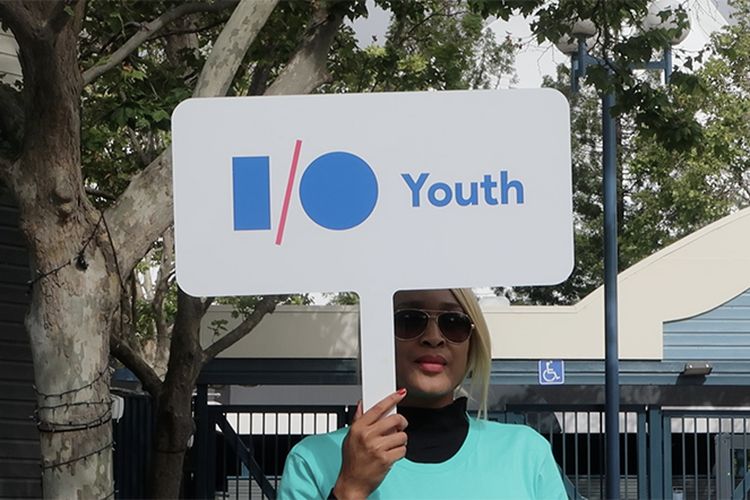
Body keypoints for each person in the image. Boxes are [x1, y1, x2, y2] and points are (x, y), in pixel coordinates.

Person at [279, 288, 567, 499]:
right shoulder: (313, 460)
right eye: (410, 320)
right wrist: (349, 489)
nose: (433, 337)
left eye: (453, 323)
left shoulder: (527, 453)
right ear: (377, 334)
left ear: (472, 343)